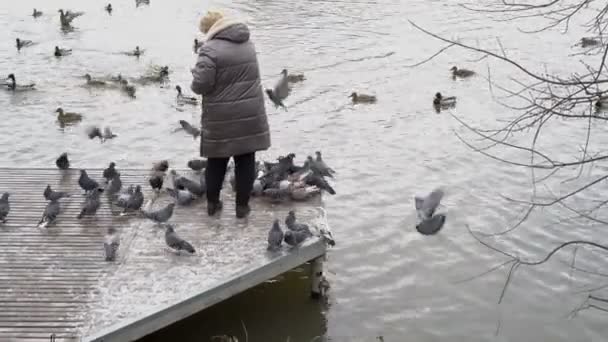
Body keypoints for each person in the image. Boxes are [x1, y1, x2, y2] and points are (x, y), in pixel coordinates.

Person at [191, 11, 271, 218]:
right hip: (250, 112)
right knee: (246, 160)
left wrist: (195, 76)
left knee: (217, 160)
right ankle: (242, 207)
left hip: (220, 115)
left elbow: (200, 85)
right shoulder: (248, 44)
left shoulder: (209, 50)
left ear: (210, 30)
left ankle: (213, 204)